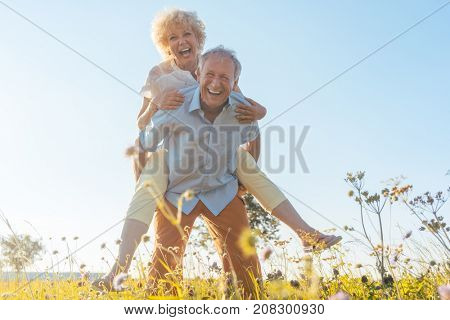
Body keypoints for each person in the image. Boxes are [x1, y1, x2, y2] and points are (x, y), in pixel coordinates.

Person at [92, 9, 340, 291]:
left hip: (219, 183)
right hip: (177, 178)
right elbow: (142, 133)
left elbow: (249, 118)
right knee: (164, 269)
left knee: (246, 271)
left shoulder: (223, 77)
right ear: (167, 46)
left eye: (187, 34)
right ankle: (118, 270)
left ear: (199, 39)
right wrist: (156, 104)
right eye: (173, 37)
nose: (181, 40)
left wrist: (241, 180)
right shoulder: (163, 79)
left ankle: (304, 232)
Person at [143, 46, 263, 298]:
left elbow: (253, 134)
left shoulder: (241, 108)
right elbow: (146, 142)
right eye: (210, 74)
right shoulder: (176, 101)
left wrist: (245, 180)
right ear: (198, 74)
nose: (216, 83)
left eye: (225, 78)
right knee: (164, 264)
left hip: (222, 190)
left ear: (235, 82)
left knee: (245, 263)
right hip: (177, 192)